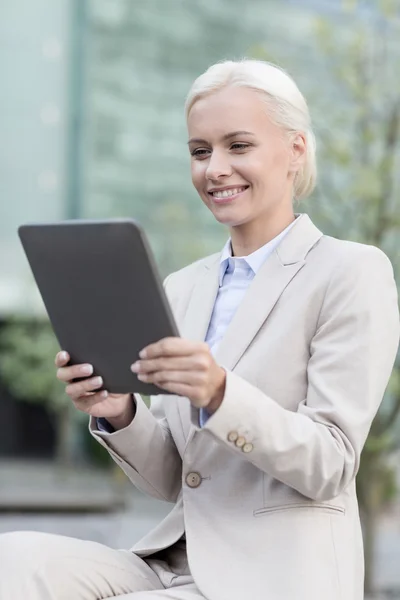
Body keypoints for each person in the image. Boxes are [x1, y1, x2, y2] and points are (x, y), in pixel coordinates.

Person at [0, 59, 399, 600]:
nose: (215, 168)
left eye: (238, 146)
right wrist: (118, 411)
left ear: (296, 151)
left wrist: (219, 392)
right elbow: (173, 478)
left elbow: (330, 463)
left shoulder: (351, 271)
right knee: (13, 560)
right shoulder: (184, 287)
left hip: (275, 574)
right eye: (200, 150)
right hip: (174, 561)